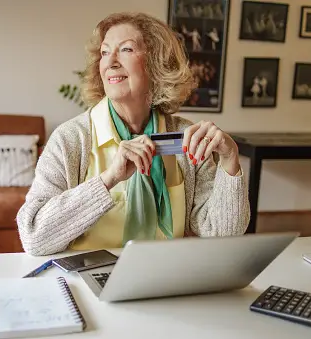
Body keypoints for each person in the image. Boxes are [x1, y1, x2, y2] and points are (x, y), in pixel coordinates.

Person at [17, 12, 250, 256]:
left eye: (126, 50)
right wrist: (109, 179)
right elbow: (34, 238)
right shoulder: (70, 139)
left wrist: (229, 160)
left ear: (156, 63)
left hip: (168, 277)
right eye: (105, 52)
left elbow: (223, 235)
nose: (111, 62)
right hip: (89, 282)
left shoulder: (185, 136)